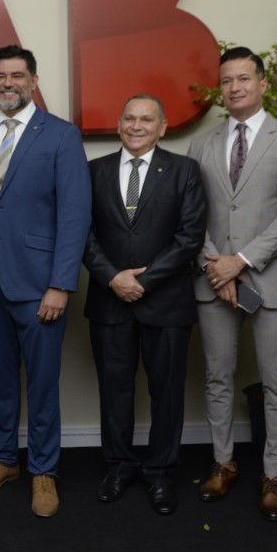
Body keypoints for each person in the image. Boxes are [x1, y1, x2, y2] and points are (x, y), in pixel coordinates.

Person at [187, 46, 277, 520]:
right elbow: (192, 214)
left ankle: (273, 476)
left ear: (263, 84)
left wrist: (238, 262)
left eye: (243, 78)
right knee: (217, 378)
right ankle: (223, 464)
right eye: (226, 81)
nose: (234, 87)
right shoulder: (201, 144)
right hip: (212, 281)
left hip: (270, 283)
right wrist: (214, 267)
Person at [0, 45, 91, 518]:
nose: (8, 83)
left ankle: (43, 470)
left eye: (17, 75)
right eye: (0, 75)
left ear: (34, 82)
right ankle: (3, 460)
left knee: (42, 383)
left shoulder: (61, 135)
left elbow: (75, 215)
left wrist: (61, 284)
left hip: (40, 286)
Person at [83, 94, 206, 515]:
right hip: (109, 301)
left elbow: (190, 237)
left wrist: (143, 281)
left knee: (167, 392)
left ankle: (161, 474)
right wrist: (113, 277)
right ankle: (118, 467)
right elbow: (82, 233)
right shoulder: (94, 171)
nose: (136, 126)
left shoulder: (185, 171)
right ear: (119, 124)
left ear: (162, 127)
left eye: (146, 119)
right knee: (114, 390)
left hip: (166, 303)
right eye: (129, 118)